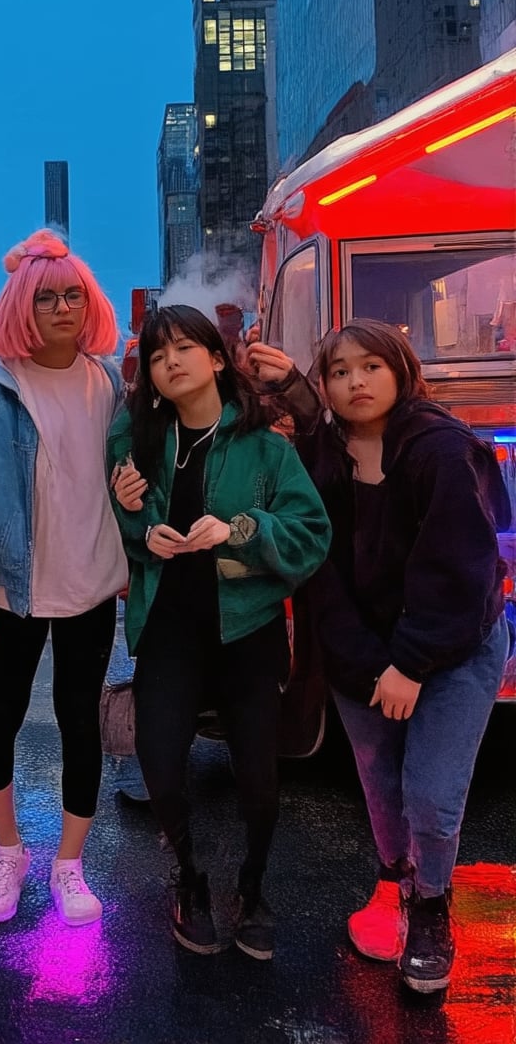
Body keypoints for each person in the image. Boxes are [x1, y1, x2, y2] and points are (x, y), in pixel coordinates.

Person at [248, 321, 510, 993]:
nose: (355, 382)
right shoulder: (323, 454)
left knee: (431, 792)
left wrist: (412, 665)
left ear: (401, 369)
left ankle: (431, 905)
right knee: (379, 783)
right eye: (339, 372)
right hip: (364, 649)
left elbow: (460, 574)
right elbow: (322, 572)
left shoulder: (442, 451)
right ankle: (394, 880)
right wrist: (370, 665)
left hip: (453, 649)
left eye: (370, 366)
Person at [108, 305, 331, 958]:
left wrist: (243, 529)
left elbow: (312, 532)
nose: (170, 361)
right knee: (161, 767)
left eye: (183, 347)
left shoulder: (264, 444)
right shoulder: (139, 439)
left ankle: (252, 886)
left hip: (248, 632)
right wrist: (140, 527)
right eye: (156, 355)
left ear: (214, 357)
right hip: (169, 630)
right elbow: (126, 518)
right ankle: (189, 879)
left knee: (260, 784)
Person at [0, 228, 126, 927]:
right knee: (2, 717)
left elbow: (132, 476)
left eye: (74, 294)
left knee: (81, 721)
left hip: (92, 582)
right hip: (12, 591)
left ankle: (68, 864)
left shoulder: (109, 381)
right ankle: (9, 851)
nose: (63, 307)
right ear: (22, 304)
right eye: (47, 297)